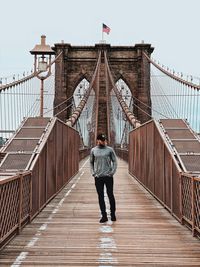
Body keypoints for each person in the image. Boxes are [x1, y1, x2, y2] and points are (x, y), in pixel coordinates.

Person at [90, 133, 117, 223]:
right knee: (100, 196)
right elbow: (91, 162)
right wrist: (93, 173)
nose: (104, 142)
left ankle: (113, 214)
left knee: (110, 195)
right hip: (98, 177)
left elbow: (115, 161)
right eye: (102, 140)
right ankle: (104, 216)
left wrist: (112, 172)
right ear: (98, 140)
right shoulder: (93, 150)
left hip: (108, 177)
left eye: (105, 140)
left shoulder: (110, 150)